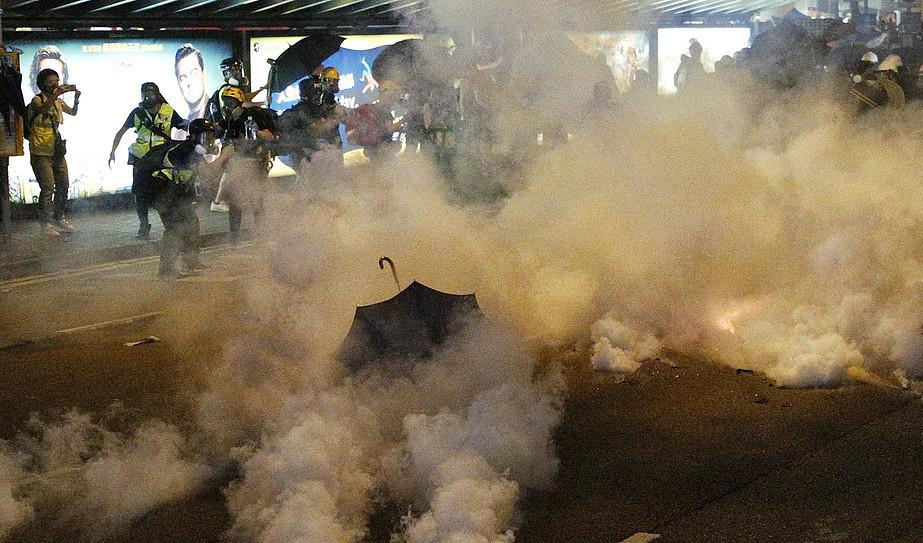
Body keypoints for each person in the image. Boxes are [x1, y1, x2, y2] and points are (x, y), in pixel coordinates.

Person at [134, 118, 231, 279]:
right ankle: (165, 271)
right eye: (205, 136)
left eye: (211, 136)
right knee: (175, 228)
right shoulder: (185, 150)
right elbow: (208, 172)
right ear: (196, 136)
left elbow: (204, 177)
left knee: (191, 222)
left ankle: (190, 262)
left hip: (170, 190)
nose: (209, 140)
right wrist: (225, 156)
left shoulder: (191, 150)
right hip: (156, 189)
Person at [108, 82, 187, 240]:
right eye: (145, 93)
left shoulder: (168, 110)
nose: (148, 96)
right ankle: (144, 225)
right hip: (141, 158)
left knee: (165, 191)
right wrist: (112, 151)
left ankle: (173, 225)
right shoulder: (137, 113)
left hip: (161, 157)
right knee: (140, 194)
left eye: (151, 93)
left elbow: (183, 125)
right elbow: (121, 132)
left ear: (157, 93)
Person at [215, 85, 277, 244]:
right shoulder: (228, 120)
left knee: (256, 200)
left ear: (239, 103)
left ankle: (261, 235)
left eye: (230, 102)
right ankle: (234, 238)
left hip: (253, 163)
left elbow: (270, 136)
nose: (227, 106)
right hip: (236, 165)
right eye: (225, 102)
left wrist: (256, 131)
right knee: (235, 202)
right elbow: (216, 131)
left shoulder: (252, 116)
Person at [26, 68, 79, 238]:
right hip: (40, 151)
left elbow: (73, 112)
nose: (55, 84)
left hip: (56, 151)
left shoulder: (58, 101)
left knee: (64, 184)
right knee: (48, 188)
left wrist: (76, 99)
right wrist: (56, 95)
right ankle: (45, 224)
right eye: (51, 81)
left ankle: (59, 217)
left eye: (57, 81)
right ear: (42, 84)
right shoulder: (37, 100)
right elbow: (42, 109)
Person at [278, 68, 346, 166]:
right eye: (316, 92)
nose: (318, 95)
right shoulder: (301, 110)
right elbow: (313, 130)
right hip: (309, 159)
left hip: (329, 154)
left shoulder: (329, 106)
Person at [346, 79, 403, 163]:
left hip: (375, 151)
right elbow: (388, 129)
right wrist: (404, 120)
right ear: (388, 95)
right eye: (393, 96)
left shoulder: (373, 109)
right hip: (380, 154)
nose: (394, 100)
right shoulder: (383, 111)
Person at [174, 44, 209, 125]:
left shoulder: (218, 113)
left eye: (194, 73)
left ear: (204, 74)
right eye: (183, 78)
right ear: (178, 83)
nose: (189, 83)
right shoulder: (181, 126)